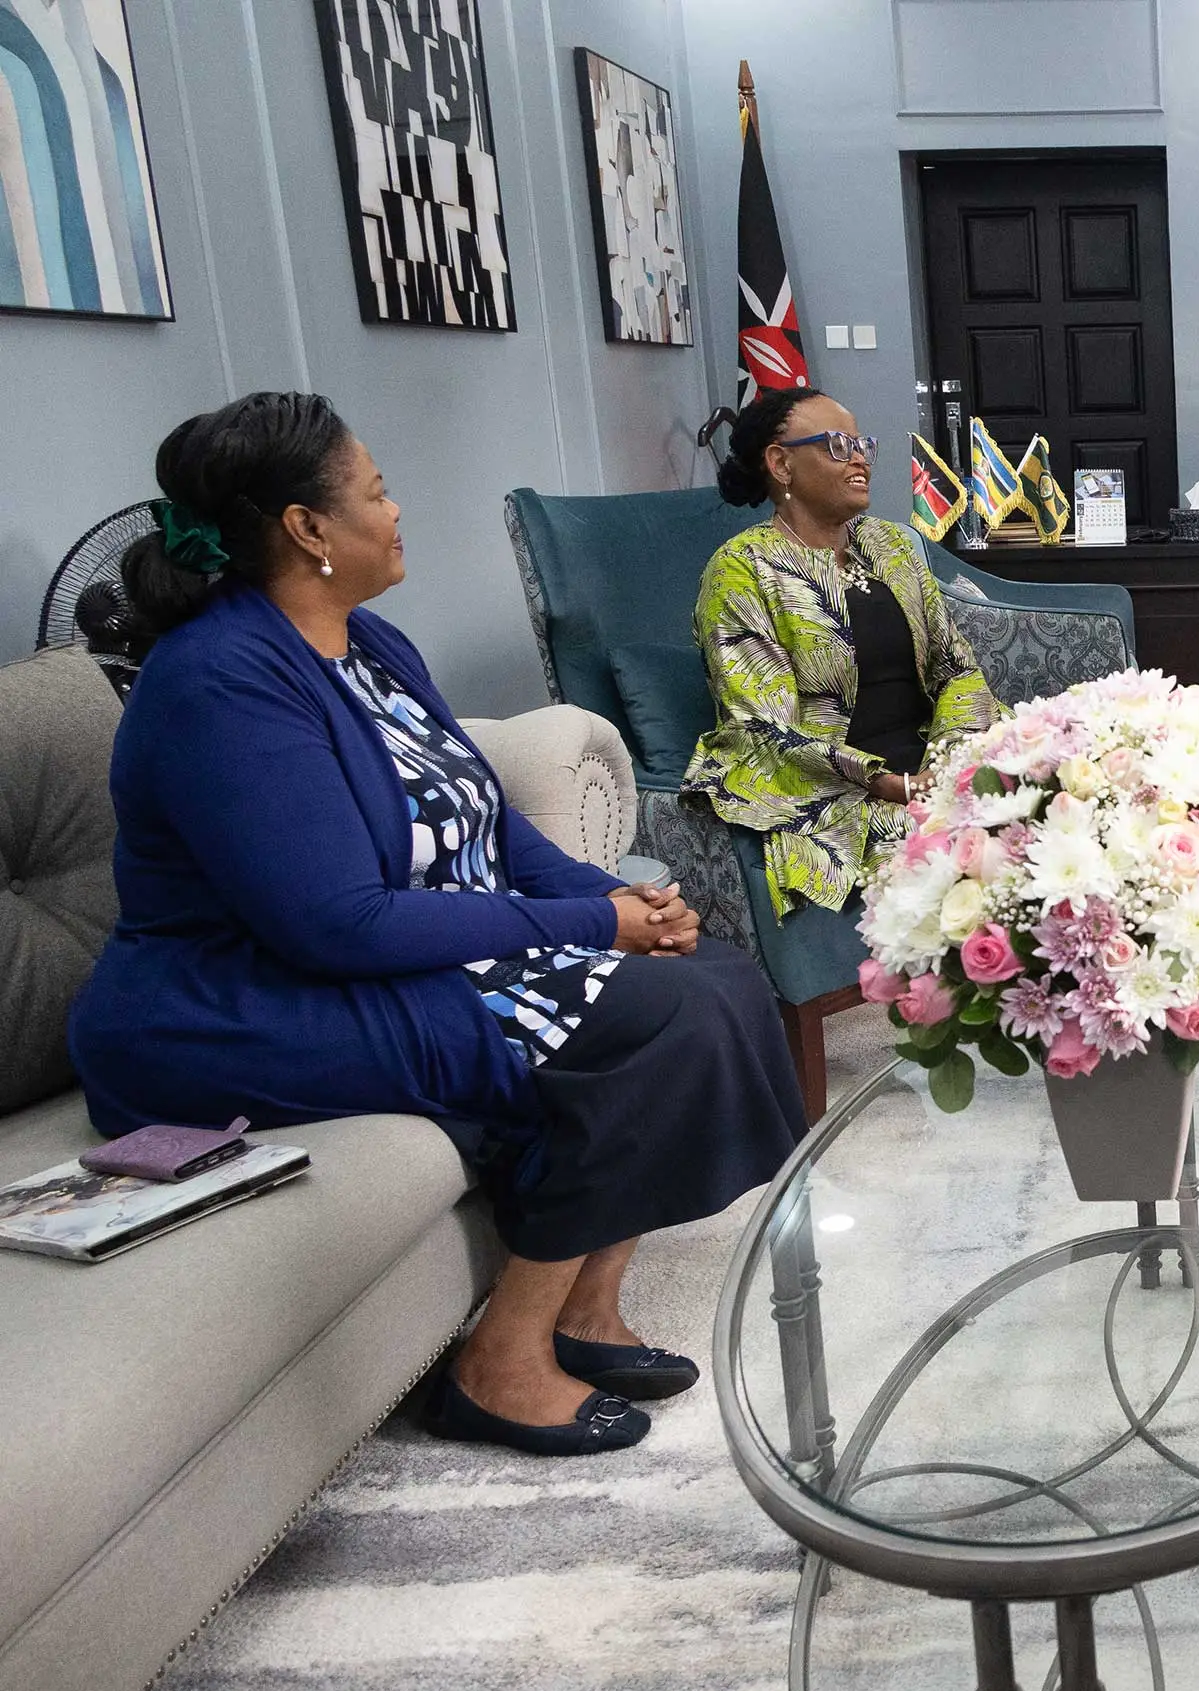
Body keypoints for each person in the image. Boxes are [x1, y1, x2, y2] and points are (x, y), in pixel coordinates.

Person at [70, 392, 806, 1458]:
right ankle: (497, 1364)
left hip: (390, 959)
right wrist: (592, 930)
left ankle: (586, 1313)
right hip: (245, 1003)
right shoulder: (219, 684)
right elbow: (336, 926)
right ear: (307, 529)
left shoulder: (369, 644)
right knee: (653, 1022)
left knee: (722, 979)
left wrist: (621, 903)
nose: (397, 508)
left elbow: (491, 824)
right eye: (375, 491)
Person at [682, 387, 998, 919]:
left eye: (860, 444)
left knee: (1068, 794)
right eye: (835, 444)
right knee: (984, 845)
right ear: (781, 464)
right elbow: (764, 728)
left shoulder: (889, 546)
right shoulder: (741, 570)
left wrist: (950, 762)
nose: (858, 458)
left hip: (939, 754)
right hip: (841, 787)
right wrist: (894, 784)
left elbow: (957, 667)